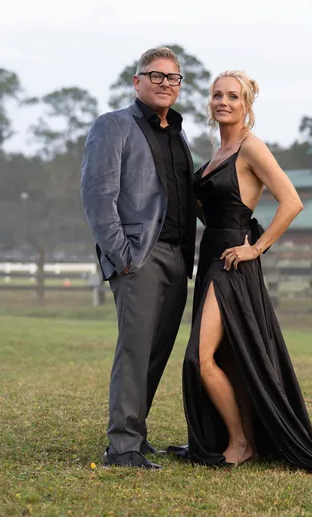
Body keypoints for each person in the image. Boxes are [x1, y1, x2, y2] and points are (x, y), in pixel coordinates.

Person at [168, 70, 312, 472]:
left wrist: (256, 247)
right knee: (230, 356)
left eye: (233, 97)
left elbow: (291, 202)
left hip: (233, 264)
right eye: (217, 95)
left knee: (200, 358)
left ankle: (240, 443)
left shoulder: (252, 148)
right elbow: (210, 210)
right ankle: (243, 439)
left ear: (246, 106)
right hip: (210, 260)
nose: (223, 102)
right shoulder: (217, 155)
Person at [80, 47, 197, 469]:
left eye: (174, 78)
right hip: (139, 257)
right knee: (134, 350)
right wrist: (124, 256)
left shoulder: (179, 133)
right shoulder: (113, 126)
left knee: (156, 350)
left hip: (178, 257)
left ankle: (135, 431)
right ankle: (122, 447)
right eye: (156, 75)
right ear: (137, 81)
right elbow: (98, 198)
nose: (166, 83)